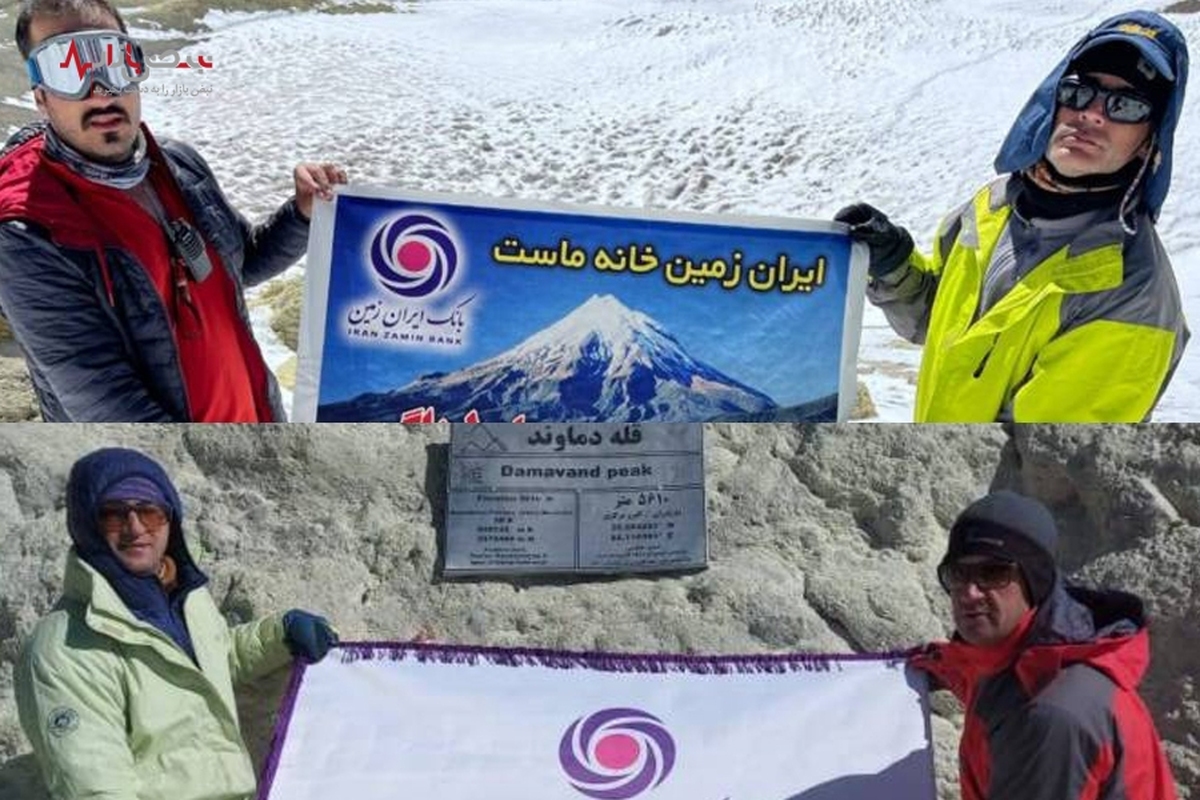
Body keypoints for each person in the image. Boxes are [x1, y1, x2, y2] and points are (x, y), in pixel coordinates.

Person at [0, 0, 347, 421]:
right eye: (67, 67)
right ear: (40, 96)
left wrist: (302, 214)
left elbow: (243, 263)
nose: (100, 89)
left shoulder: (177, 164)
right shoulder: (28, 228)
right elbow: (105, 404)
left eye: (113, 61)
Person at [837, 10, 1189, 422]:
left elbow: (1045, 466)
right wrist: (894, 262)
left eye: (1125, 105)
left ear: (1150, 141)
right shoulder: (991, 206)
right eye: (1079, 91)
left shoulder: (1130, 293)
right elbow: (942, 321)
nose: (1092, 114)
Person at [15, 447, 338, 799]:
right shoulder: (63, 651)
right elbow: (99, 791)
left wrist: (281, 635)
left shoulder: (181, 597)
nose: (135, 528)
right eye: (114, 515)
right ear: (86, 525)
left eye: (149, 512)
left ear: (171, 519)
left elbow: (207, 662)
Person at [910, 490, 1178, 800]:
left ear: (1034, 580)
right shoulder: (1032, 663)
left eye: (993, 572)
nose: (970, 592)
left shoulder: (1050, 718)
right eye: (959, 573)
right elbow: (993, 681)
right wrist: (942, 667)